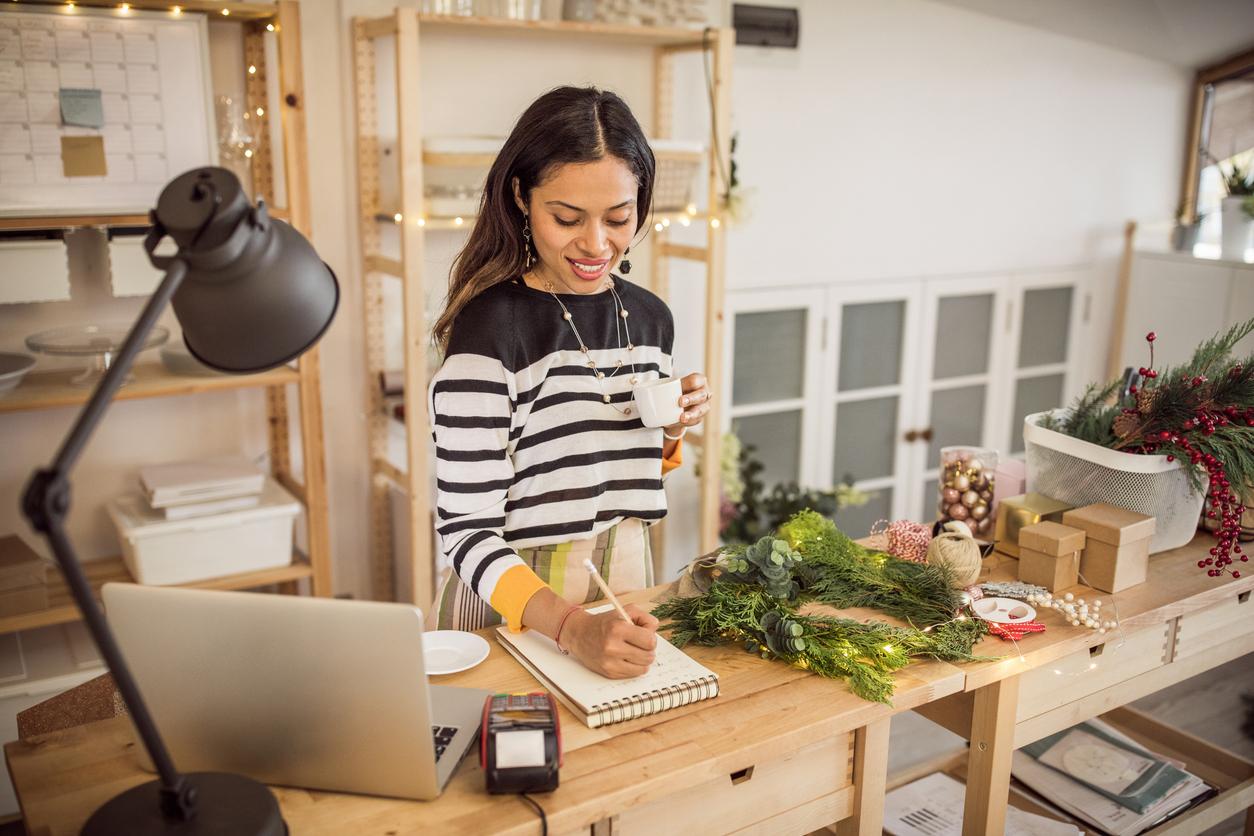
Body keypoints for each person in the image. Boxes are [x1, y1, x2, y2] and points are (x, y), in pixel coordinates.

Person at [427, 86, 711, 679]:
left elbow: (605, 465)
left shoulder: (650, 316)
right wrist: (571, 628)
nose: (596, 244)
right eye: (566, 218)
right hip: (515, 605)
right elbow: (465, 531)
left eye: (618, 218)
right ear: (521, 199)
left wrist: (672, 427)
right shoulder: (489, 331)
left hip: (627, 581)